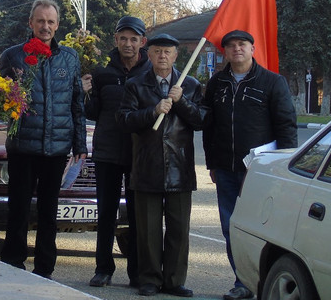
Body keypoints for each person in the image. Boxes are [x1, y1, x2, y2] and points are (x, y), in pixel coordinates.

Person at [202, 30, 297, 300]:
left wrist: (285, 167)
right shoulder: (217, 83)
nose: (236, 49)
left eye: (242, 44)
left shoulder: (272, 82)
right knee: (231, 227)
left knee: (260, 228)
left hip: (261, 171)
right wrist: (211, 163)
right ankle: (242, 282)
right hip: (226, 168)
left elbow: (286, 127)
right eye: (230, 46)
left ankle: (259, 280)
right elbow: (209, 128)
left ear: (252, 49)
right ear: (225, 52)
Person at [0, 0, 87, 279]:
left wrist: (80, 144)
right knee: (19, 209)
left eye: (50, 22)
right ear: (31, 23)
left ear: (57, 25)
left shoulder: (69, 57)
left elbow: (76, 103)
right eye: (40, 21)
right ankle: (13, 262)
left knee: (49, 212)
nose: (45, 26)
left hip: (57, 148)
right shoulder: (13, 56)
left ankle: (45, 268)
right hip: (24, 146)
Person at [116, 33, 207, 297]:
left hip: (179, 167)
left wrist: (182, 102)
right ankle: (149, 279)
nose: (162, 56)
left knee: (179, 229)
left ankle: (174, 280)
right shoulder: (136, 85)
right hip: (147, 166)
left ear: (176, 56)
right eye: (157, 51)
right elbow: (124, 120)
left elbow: (202, 120)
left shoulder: (189, 85)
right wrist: (153, 111)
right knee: (148, 229)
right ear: (150, 54)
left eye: (168, 52)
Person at [82, 16, 151, 288]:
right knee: (106, 213)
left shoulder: (149, 73)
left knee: (138, 215)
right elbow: (91, 113)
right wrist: (85, 93)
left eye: (134, 39)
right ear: (115, 40)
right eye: (123, 38)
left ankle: (136, 272)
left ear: (142, 42)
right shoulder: (102, 73)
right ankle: (103, 268)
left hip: (139, 153)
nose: (128, 44)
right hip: (108, 152)